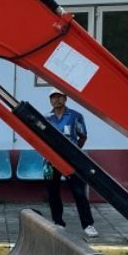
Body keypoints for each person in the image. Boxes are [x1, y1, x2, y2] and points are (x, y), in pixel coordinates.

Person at [45, 90, 98, 238]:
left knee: (79, 192)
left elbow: (83, 136)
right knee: (53, 192)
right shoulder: (46, 118)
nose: (56, 100)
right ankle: (58, 222)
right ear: (50, 100)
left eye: (59, 97)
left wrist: (75, 151)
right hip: (50, 160)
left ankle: (88, 225)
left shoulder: (75, 116)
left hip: (71, 160)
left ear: (65, 98)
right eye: (53, 97)